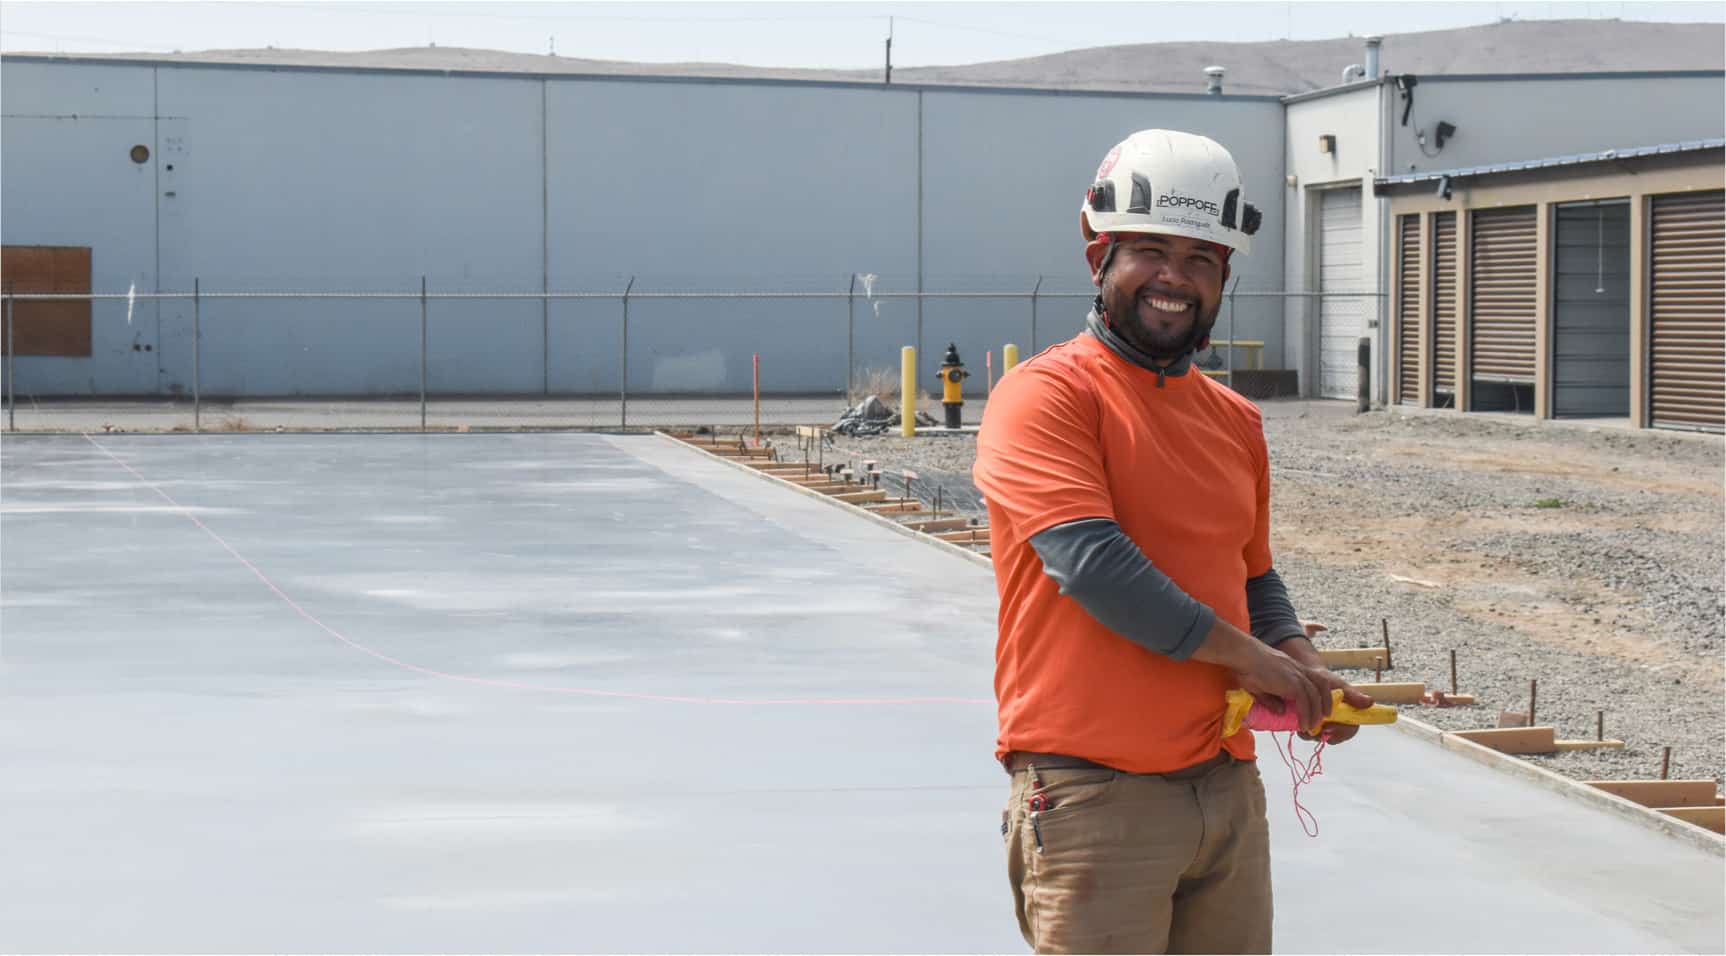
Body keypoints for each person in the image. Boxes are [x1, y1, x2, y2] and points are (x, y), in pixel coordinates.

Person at [972, 128, 1374, 954]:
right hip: (1093, 793)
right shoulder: (1046, 397)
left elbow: (1253, 575)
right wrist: (1251, 662)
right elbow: (1095, 566)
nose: (1174, 278)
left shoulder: (1235, 420)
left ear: (1224, 277)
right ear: (1099, 259)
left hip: (1225, 790)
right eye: (1149, 251)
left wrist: (1301, 663)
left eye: (1201, 259)